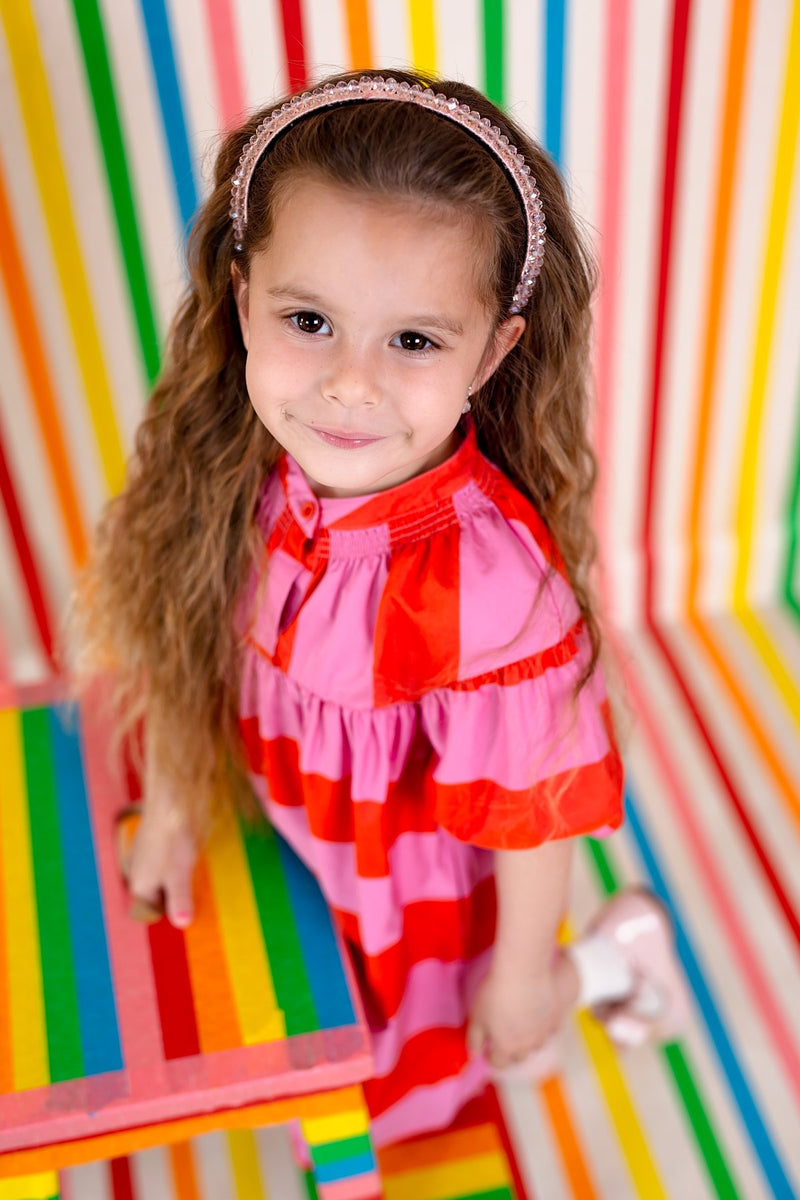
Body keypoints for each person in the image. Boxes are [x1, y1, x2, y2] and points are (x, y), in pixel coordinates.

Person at [71, 68, 688, 1148]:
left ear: (492, 350)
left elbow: (530, 812)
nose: (349, 385)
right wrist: (171, 801)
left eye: (413, 341)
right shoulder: (239, 470)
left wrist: (519, 974)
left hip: (408, 896)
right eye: (309, 319)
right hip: (291, 831)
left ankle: (601, 964)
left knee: (465, 1041)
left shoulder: (487, 588)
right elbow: (190, 643)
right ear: (242, 297)